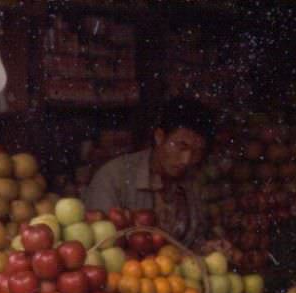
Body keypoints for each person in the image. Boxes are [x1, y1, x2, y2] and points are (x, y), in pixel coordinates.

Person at [82, 98, 215, 248]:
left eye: (196, 152)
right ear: (159, 137)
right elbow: (101, 245)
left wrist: (207, 248)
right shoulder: (113, 177)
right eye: (181, 146)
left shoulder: (193, 181)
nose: (186, 160)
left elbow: (196, 238)